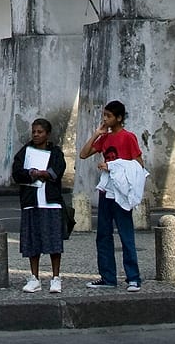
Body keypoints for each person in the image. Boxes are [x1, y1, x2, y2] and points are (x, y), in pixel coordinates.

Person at [78, 99, 145, 292]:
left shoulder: (128, 137)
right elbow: (84, 154)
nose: (105, 119)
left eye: (108, 116)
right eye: (104, 116)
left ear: (119, 118)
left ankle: (133, 278)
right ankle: (108, 277)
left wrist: (113, 166)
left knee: (126, 234)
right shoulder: (105, 139)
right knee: (103, 235)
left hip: (121, 192)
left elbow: (138, 165)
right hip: (106, 190)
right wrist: (97, 134)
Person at [13, 117, 67, 294]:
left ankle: (55, 277)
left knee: (53, 241)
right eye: (34, 132)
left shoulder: (56, 152)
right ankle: (34, 277)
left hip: (51, 201)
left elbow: (59, 169)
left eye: (40, 132)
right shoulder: (24, 152)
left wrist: (46, 173)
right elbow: (17, 172)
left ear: (47, 134)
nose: (36, 135)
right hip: (31, 201)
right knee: (33, 241)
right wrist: (32, 173)